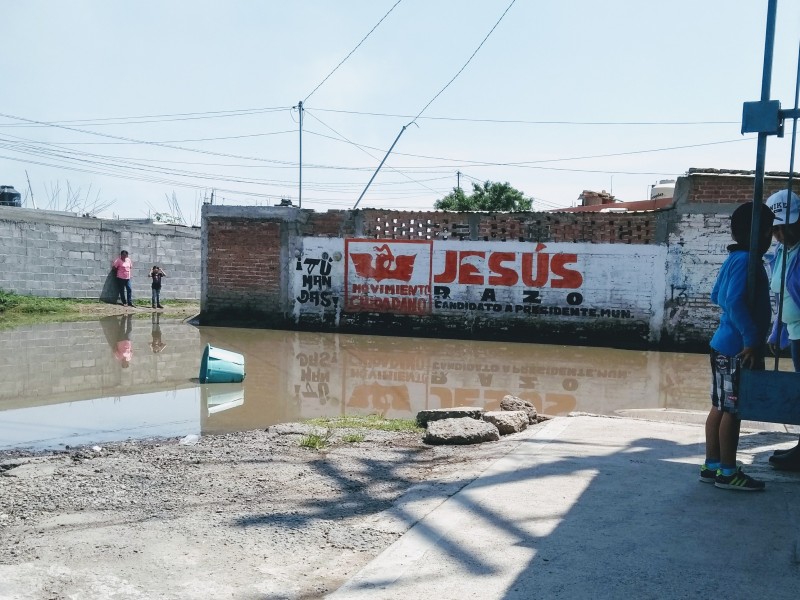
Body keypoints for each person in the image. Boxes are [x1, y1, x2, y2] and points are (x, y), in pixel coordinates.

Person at [700, 201, 775, 491]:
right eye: (769, 231)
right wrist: (751, 340)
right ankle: (729, 473)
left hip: (722, 343)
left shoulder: (734, 258)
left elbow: (717, 294)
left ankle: (713, 465)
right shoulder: (748, 261)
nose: (771, 237)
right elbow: (732, 300)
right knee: (734, 409)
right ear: (763, 233)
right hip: (737, 349)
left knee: (720, 406)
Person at [765, 189, 800, 471]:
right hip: (796, 331)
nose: (781, 233)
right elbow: (782, 297)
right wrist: (778, 332)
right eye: (778, 228)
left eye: (787, 226)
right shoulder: (781, 251)